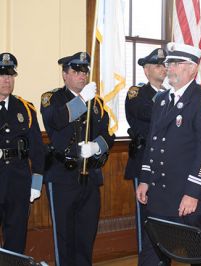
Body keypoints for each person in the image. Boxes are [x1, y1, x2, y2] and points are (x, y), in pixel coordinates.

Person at [136, 42, 201, 265]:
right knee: (151, 254)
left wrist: (193, 192)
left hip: (189, 197)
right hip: (160, 194)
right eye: (169, 63)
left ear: (193, 69)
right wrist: (145, 179)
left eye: (177, 63)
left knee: (199, 256)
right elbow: (153, 144)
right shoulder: (162, 100)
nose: (170, 68)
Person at [40, 52, 115, 266]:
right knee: (64, 237)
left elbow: (108, 136)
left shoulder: (97, 103)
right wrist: (82, 101)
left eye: (85, 71)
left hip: (90, 177)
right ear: (65, 75)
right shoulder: (51, 99)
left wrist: (96, 147)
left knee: (86, 234)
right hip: (62, 176)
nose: (82, 76)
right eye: (75, 71)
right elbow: (56, 120)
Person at [124, 48, 166, 265]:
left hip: (165, 165)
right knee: (146, 219)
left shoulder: (169, 94)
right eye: (158, 65)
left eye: (164, 65)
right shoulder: (137, 93)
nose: (164, 68)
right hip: (143, 162)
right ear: (147, 70)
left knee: (163, 218)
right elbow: (146, 113)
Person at [0, 52, 44, 254]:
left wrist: (36, 183)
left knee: (17, 234)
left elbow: (37, 148)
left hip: (19, 179)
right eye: (1, 75)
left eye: (10, 75)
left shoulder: (25, 108)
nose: (6, 80)